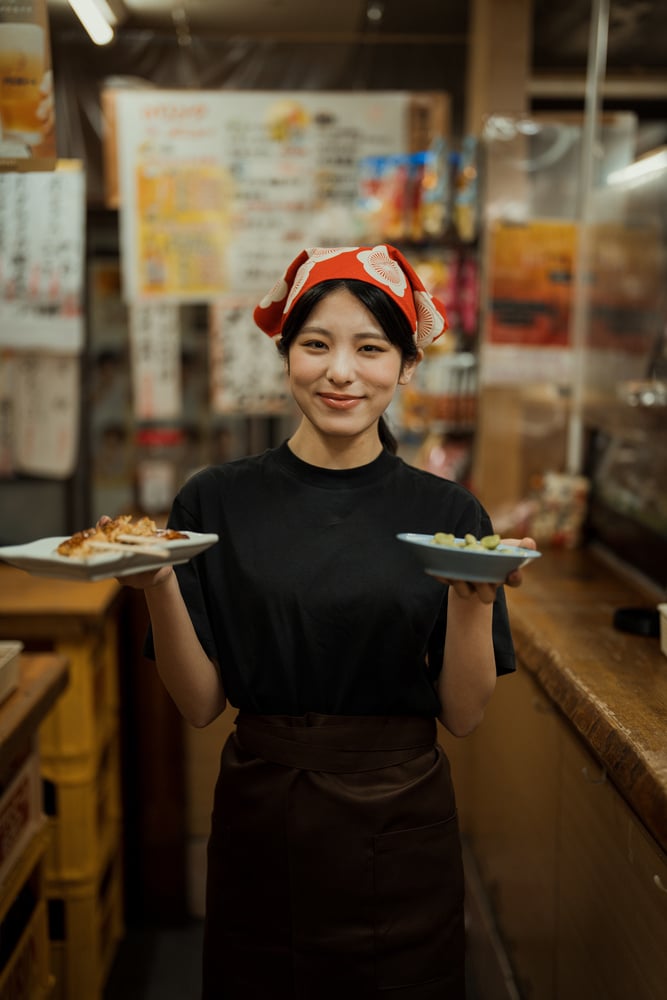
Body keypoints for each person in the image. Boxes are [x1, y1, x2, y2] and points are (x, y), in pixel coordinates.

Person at [118, 244, 536, 1000]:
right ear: (286, 353)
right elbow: (201, 704)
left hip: (401, 816)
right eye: (316, 344)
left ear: (407, 366)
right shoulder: (213, 502)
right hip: (261, 812)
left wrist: (473, 602)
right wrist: (156, 582)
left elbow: (465, 714)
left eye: (370, 348)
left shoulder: (449, 516)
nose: (340, 372)